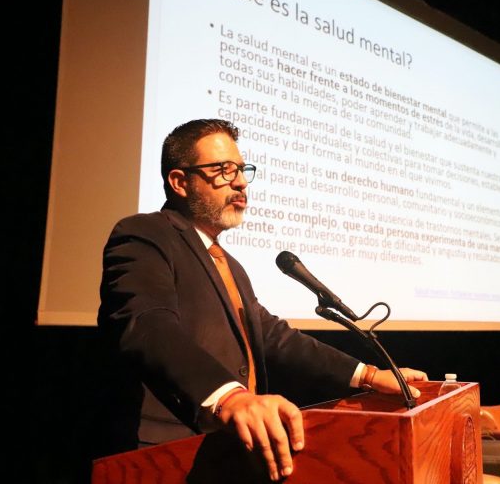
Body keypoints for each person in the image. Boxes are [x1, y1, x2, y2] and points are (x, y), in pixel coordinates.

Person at [97, 118, 427, 481]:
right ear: (180, 181)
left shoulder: (230, 266)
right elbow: (147, 324)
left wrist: (368, 375)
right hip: (162, 455)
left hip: (230, 454)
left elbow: (274, 337)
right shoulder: (144, 234)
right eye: (223, 170)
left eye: (241, 170)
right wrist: (229, 398)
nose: (240, 182)